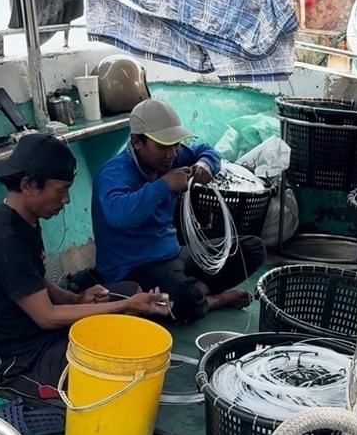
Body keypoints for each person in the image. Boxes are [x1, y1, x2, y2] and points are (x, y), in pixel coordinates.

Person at [0, 134, 170, 399]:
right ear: (29, 185)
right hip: (25, 357)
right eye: (61, 190)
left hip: (45, 330)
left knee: (130, 289)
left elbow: (32, 277)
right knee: (119, 364)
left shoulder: (21, 219)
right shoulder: (5, 241)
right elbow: (46, 317)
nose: (67, 200)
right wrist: (123, 306)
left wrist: (76, 298)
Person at [92, 98, 266, 323]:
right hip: (134, 267)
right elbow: (119, 215)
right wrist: (163, 186)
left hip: (173, 253)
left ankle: (198, 291)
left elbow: (206, 151)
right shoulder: (114, 173)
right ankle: (213, 300)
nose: (172, 153)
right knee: (178, 300)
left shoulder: (171, 157)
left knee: (252, 249)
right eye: (163, 146)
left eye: (176, 144)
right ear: (137, 143)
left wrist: (205, 164)